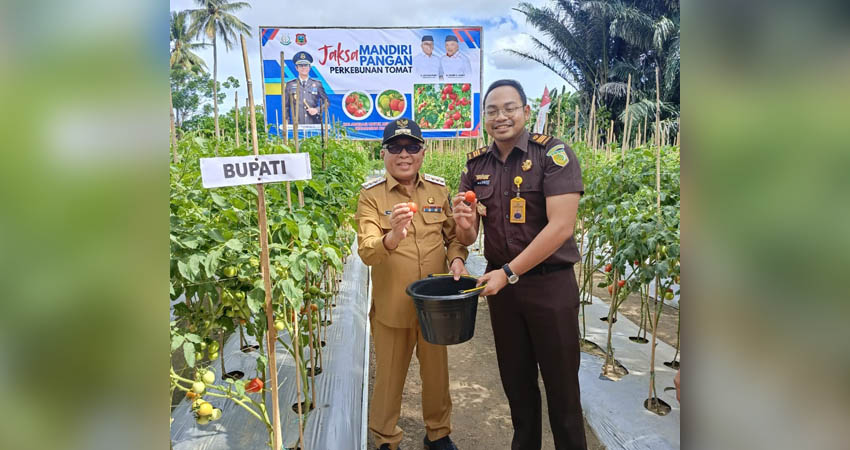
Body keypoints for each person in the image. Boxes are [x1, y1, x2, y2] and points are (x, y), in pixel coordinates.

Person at [452, 79, 587, 450]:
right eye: (492, 110)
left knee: (562, 391)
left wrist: (510, 272)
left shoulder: (553, 155)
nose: (501, 116)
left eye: (509, 108)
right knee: (517, 386)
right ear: (484, 118)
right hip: (504, 292)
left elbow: (561, 226)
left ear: (526, 112)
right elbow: (467, 237)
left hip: (549, 286)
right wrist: (463, 226)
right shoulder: (475, 165)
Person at [357, 118, 468, 450]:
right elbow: (366, 251)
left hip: (435, 306)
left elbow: (453, 238)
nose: (403, 154)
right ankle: (386, 438)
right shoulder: (371, 197)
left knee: (437, 375)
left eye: (411, 147)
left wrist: (458, 258)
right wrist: (392, 237)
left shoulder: (438, 189)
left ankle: (438, 432)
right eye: (395, 147)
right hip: (393, 306)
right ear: (383, 153)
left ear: (422, 151)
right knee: (389, 378)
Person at [285, 51, 328, 125]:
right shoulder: (290, 85)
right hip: (297, 125)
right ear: (296, 68)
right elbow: (286, 106)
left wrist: (317, 110)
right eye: (301, 65)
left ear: (309, 67)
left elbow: (327, 103)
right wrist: (287, 124)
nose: (303, 67)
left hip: (314, 124)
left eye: (306, 65)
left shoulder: (317, 84)